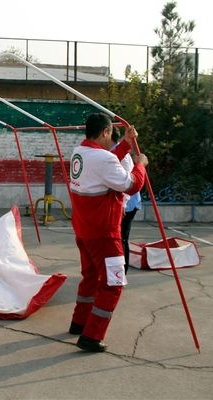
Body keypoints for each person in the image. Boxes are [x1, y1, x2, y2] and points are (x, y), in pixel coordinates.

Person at [68, 113, 148, 352]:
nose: (111, 139)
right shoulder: (102, 159)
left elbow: (107, 161)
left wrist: (125, 143)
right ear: (104, 132)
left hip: (84, 230)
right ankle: (91, 336)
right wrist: (140, 164)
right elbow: (131, 185)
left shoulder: (80, 153)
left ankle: (79, 323)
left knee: (91, 277)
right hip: (104, 233)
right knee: (113, 284)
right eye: (111, 136)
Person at [111, 127, 142, 274]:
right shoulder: (111, 153)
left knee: (122, 238)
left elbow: (129, 183)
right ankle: (117, 270)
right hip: (123, 202)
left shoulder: (122, 156)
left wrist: (123, 204)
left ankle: (122, 271)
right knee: (118, 237)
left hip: (128, 204)